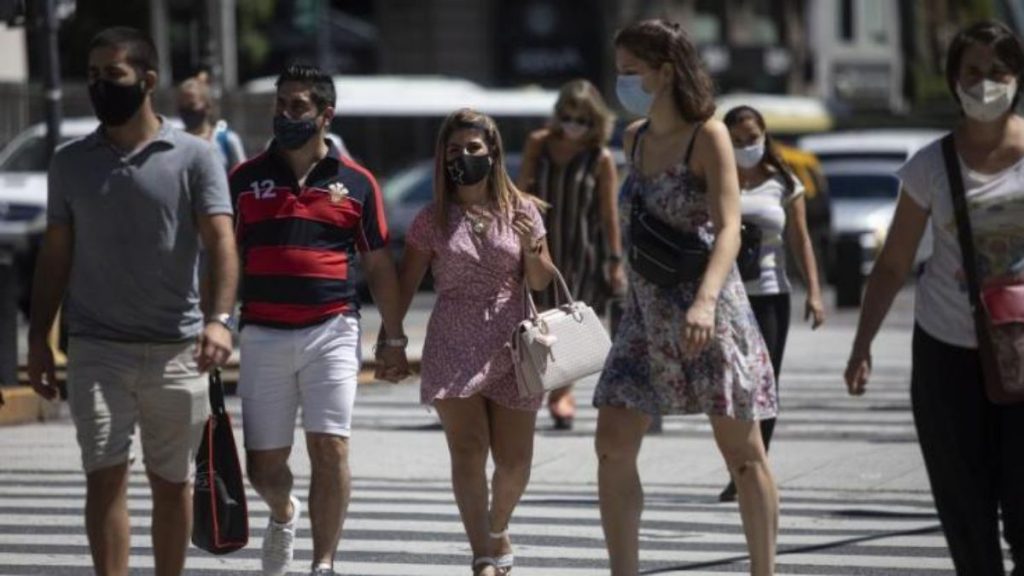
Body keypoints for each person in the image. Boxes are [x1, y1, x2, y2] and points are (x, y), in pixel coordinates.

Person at [26, 27, 238, 576]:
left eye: (111, 75)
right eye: (92, 75)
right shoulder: (69, 162)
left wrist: (218, 321)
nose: (99, 85)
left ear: (146, 80)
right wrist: (39, 339)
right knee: (104, 476)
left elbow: (221, 243)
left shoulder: (194, 157)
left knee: (172, 484)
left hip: (178, 350)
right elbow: (55, 258)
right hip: (97, 348)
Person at [593, 20, 780, 576]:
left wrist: (703, 301)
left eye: (630, 72)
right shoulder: (634, 137)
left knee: (743, 456)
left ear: (665, 72)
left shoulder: (710, 135)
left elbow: (729, 228)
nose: (621, 83)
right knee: (611, 442)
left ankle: (764, 570)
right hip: (645, 315)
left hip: (710, 311)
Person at [845, 20, 1024, 575]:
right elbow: (894, 262)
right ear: (953, 80)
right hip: (948, 353)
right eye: (973, 72)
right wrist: (862, 345)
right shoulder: (931, 165)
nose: (986, 84)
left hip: (1023, 347)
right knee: (964, 504)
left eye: (998, 72)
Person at [229, 63, 410, 576]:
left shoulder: (357, 183)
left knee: (329, 446)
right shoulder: (244, 179)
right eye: (280, 104)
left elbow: (378, 263)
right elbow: (222, 256)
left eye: (298, 106)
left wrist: (392, 336)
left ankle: (322, 563)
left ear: (325, 115)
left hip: (332, 328)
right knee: (262, 467)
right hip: (262, 331)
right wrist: (215, 321)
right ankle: (284, 513)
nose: (285, 114)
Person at [397, 108, 556, 576]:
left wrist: (531, 248)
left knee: (514, 464)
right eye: (454, 149)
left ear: (493, 153)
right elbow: (407, 283)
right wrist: (391, 336)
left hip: (514, 339)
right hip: (453, 338)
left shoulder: (522, 209)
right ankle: (484, 553)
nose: (463, 157)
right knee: (467, 450)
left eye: (473, 148)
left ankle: (496, 527)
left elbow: (543, 280)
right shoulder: (431, 219)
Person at [717, 105, 826, 502]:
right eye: (736, 141)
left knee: (765, 383)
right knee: (729, 384)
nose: (746, 146)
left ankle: (751, 467)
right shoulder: (717, 178)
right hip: (726, 296)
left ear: (765, 136)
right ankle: (738, 461)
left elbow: (800, 240)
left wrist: (814, 292)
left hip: (770, 293)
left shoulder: (784, 182)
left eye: (752, 138)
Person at [517, 79, 624, 431]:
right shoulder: (539, 144)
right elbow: (520, 194)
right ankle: (539, 386)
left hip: (581, 250)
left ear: (594, 120)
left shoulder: (601, 157)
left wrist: (614, 261)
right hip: (538, 247)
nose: (573, 124)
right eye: (567, 116)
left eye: (581, 118)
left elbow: (609, 214)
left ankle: (562, 392)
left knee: (569, 321)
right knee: (536, 318)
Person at [176, 71, 246, 172]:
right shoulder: (175, 143)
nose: (186, 110)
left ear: (208, 106)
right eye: (182, 106)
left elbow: (242, 177)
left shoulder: (227, 140)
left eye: (192, 105)